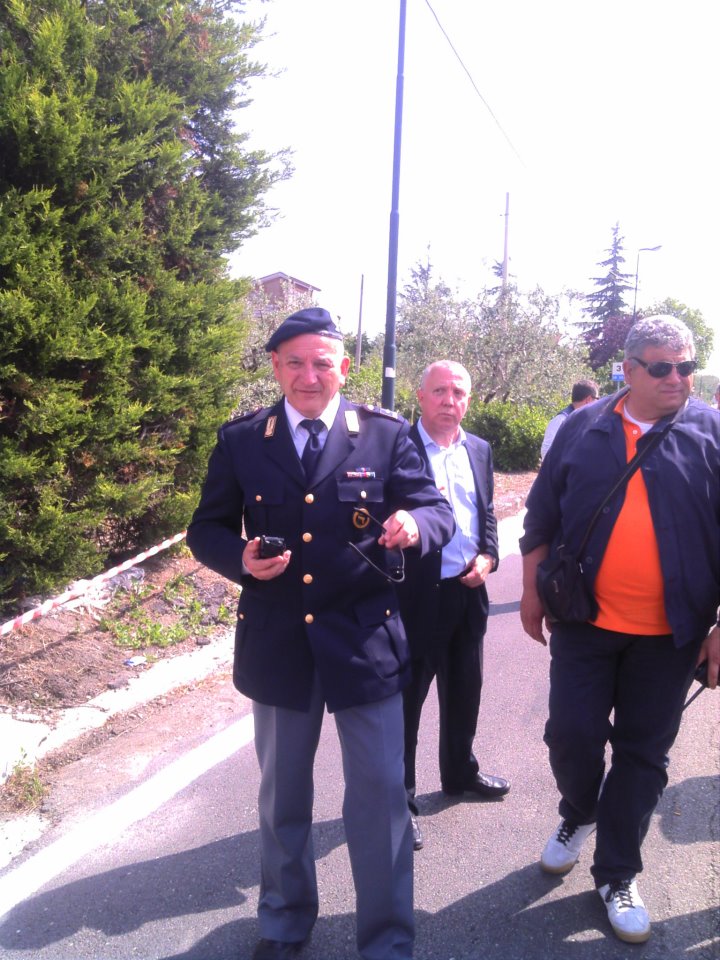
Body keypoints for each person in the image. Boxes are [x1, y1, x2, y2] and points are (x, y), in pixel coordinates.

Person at [187, 307, 455, 960]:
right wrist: (240, 559)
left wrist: (417, 527)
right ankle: (284, 923)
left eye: (323, 362)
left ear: (343, 368)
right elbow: (207, 529)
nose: (310, 376)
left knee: (379, 800)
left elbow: (435, 508)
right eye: (296, 362)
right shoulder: (244, 439)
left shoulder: (385, 436)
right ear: (276, 366)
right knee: (284, 798)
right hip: (279, 642)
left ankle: (388, 938)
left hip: (364, 641)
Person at [519, 315, 720, 945]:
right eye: (662, 367)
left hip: (672, 634)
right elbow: (540, 515)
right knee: (570, 734)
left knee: (642, 753)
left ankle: (617, 873)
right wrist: (529, 589)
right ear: (628, 370)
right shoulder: (583, 427)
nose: (677, 379)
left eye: (686, 366)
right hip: (585, 620)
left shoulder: (712, 432)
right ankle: (578, 812)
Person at [397, 361, 508, 853]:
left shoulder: (479, 449)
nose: (449, 400)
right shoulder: (397, 448)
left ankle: (460, 774)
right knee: (406, 704)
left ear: (469, 398)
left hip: (468, 593)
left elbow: (486, 513)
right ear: (419, 396)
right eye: (439, 390)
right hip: (417, 598)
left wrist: (489, 556)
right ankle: (398, 802)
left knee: (465, 690)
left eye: (458, 391)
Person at [540, 379, 600, 459]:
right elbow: (546, 452)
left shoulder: (589, 421)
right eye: (597, 399)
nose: (598, 403)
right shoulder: (560, 420)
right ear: (588, 399)